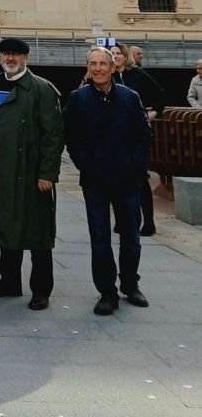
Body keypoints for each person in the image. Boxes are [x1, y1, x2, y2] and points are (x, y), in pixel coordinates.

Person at [0, 36, 64, 311]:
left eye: (15, 55)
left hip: (30, 173)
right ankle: (9, 280)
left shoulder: (41, 89)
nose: (10, 59)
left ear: (26, 58)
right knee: (7, 227)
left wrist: (47, 173)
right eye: (6, 54)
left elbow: (53, 136)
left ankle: (41, 289)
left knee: (37, 233)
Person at [64, 46, 152, 315]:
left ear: (113, 67)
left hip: (126, 179)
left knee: (131, 237)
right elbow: (72, 137)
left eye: (103, 63)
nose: (99, 68)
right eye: (93, 63)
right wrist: (85, 163)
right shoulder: (78, 99)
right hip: (95, 181)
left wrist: (133, 163)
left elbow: (144, 134)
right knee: (100, 237)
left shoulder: (130, 97)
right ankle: (106, 291)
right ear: (88, 68)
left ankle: (129, 283)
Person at [111, 40, 163, 236]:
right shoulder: (106, 75)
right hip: (113, 136)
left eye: (118, 53)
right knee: (115, 180)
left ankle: (148, 222)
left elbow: (159, 97)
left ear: (126, 56)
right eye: (112, 53)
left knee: (140, 178)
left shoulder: (138, 75)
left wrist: (151, 115)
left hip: (135, 135)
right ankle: (121, 220)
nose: (115, 56)